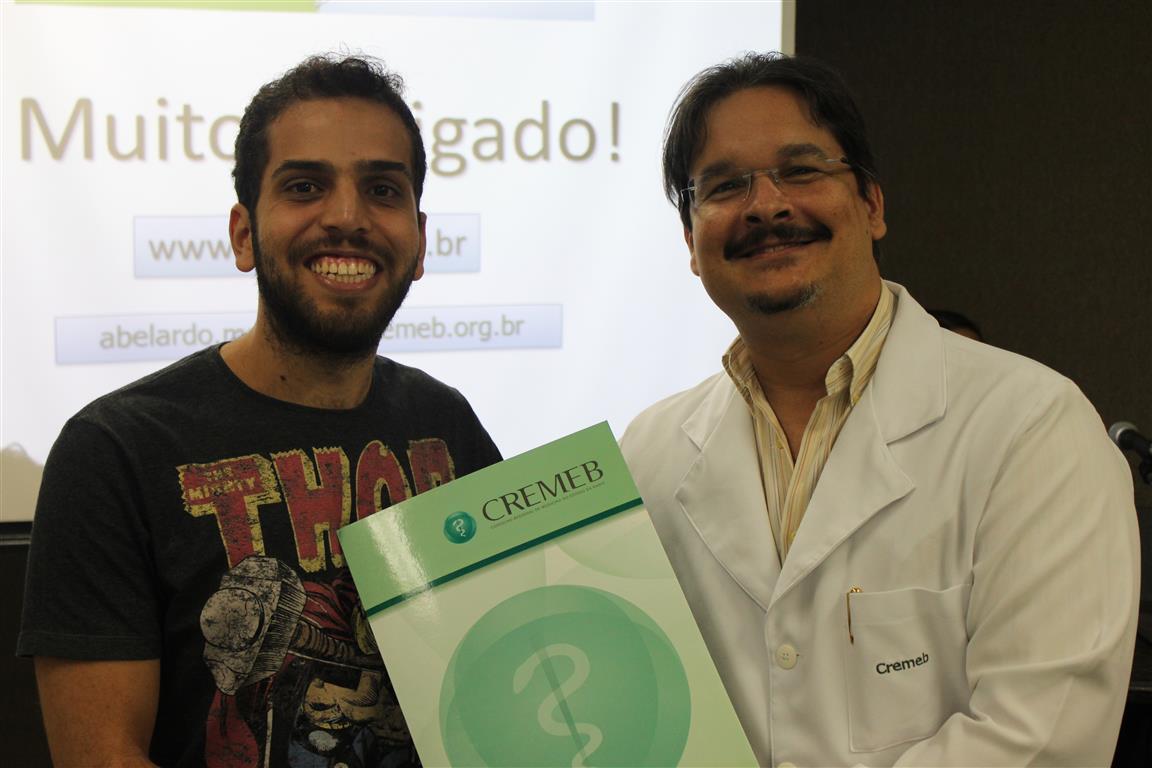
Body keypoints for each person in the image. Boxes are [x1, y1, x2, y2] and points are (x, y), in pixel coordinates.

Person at [620, 52, 1138, 766]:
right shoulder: (647, 454)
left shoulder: (1034, 427)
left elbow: (1042, 739)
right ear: (690, 240)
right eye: (725, 185)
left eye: (801, 170)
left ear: (871, 205)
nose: (766, 206)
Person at [18, 55, 501, 767]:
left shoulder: (448, 425)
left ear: (421, 241)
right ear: (244, 234)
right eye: (305, 186)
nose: (348, 217)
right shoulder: (114, 450)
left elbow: (503, 678)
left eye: (382, 189)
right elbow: (101, 755)